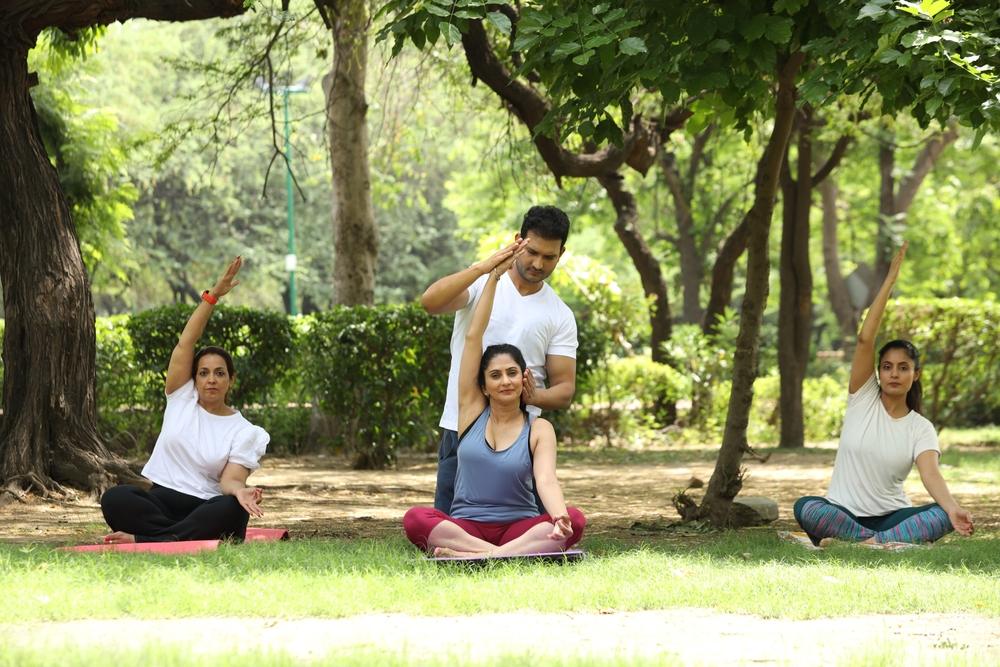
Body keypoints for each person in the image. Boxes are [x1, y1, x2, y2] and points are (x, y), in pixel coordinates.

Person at [404, 240, 586, 557]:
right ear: (483, 385)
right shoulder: (471, 413)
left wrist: (559, 515)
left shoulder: (538, 428)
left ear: (525, 377)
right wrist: (491, 276)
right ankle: (508, 553)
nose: (505, 381)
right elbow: (473, 336)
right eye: (496, 375)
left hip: (517, 525)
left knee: (576, 519)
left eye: (513, 373)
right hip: (469, 525)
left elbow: (546, 479)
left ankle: (479, 555)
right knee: (416, 518)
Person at [793, 242, 974, 546]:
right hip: (842, 512)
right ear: (878, 371)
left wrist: (953, 508)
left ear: (915, 375)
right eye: (887, 366)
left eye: (903, 368)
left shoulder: (920, 428)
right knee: (807, 507)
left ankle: (864, 542)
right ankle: (881, 543)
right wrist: (889, 281)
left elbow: (931, 476)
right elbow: (865, 339)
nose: (894, 373)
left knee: (941, 515)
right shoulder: (862, 397)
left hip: (892, 514)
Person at [100, 256, 270, 543]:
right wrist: (212, 296)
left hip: (205, 506)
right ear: (195, 379)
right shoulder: (181, 397)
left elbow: (230, 481)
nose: (211, 379)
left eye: (219, 373)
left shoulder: (246, 431)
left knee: (231, 509)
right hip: (161, 503)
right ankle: (177, 537)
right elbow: (186, 342)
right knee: (116, 498)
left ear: (231, 379)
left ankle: (146, 539)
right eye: (203, 373)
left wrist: (240, 492)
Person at [421, 205, 578, 514]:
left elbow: (565, 388)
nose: (538, 263)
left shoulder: (559, 313)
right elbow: (430, 302)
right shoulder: (481, 283)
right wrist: (484, 268)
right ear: (518, 241)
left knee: (534, 525)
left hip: (521, 436)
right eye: (532, 251)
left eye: (549, 257)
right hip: (462, 425)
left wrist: (535, 395)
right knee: (445, 522)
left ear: (561, 253)